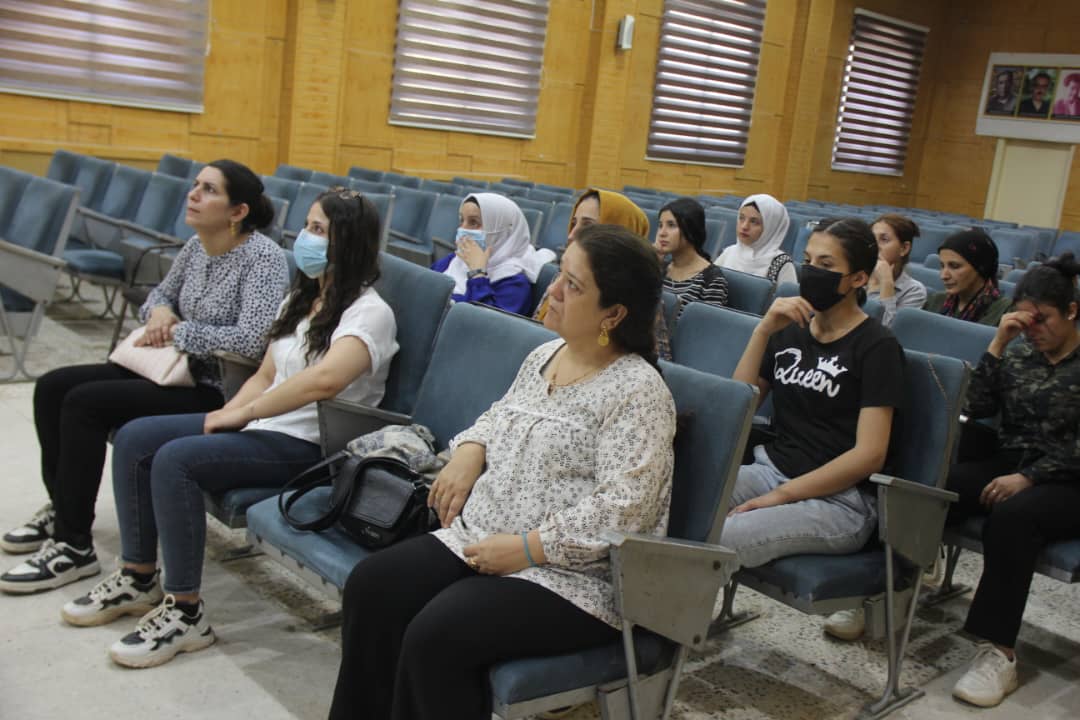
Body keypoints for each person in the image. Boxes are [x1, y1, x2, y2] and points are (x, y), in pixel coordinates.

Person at [328, 225, 676, 720]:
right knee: (373, 587)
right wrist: (470, 449)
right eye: (560, 274)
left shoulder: (638, 393)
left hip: (573, 578)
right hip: (481, 537)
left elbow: (624, 509)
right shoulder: (544, 356)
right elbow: (499, 416)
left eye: (574, 286)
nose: (553, 290)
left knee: (438, 633)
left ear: (613, 314)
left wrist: (528, 548)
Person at [58, 189, 398, 669]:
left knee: (175, 460)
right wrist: (229, 413)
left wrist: (240, 416)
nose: (305, 238)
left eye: (319, 230)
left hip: (314, 445)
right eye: (306, 226)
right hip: (265, 425)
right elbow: (265, 373)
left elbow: (323, 381)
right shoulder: (303, 298)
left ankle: (185, 612)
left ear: (350, 241)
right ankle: (137, 577)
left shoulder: (371, 312)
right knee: (135, 438)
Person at [0, 159, 289, 594]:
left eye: (209, 189)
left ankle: (73, 545)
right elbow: (159, 295)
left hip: (213, 387)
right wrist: (159, 312)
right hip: (165, 368)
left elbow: (253, 340)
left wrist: (179, 331)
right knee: (53, 386)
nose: (193, 194)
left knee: (84, 404)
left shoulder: (262, 258)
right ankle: (63, 506)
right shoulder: (196, 247)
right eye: (196, 185)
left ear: (238, 211)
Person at [722, 217, 904, 570]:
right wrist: (762, 331)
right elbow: (740, 406)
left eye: (826, 264)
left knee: (725, 535)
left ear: (858, 279)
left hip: (841, 500)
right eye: (807, 261)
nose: (811, 272)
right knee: (680, 499)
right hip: (771, 470)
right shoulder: (790, 327)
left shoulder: (877, 346)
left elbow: (870, 455)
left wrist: (782, 496)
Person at [944, 255, 1080, 708]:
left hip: (1070, 479)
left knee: (1012, 518)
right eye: (1024, 319)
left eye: (1042, 319)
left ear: (1072, 311)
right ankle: (885, 589)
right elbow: (977, 406)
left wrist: (1028, 477)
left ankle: (997, 653)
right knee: (940, 486)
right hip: (1014, 460)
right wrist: (999, 343)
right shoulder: (1020, 351)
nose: (1032, 329)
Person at [532, 188, 649, 322]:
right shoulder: (562, 277)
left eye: (587, 226)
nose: (571, 235)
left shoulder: (640, 303)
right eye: (573, 224)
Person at [430, 193, 555, 316]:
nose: (462, 229)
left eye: (473, 222)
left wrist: (477, 274)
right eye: (462, 220)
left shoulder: (514, 284)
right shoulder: (455, 260)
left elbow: (481, 321)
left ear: (503, 232)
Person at [655, 197, 728, 314]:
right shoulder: (659, 268)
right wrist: (651, 267)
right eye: (660, 225)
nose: (662, 233)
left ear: (691, 230)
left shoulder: (711, 279)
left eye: (671, 225)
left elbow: (708, 323)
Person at [924, 229, 1011, 326]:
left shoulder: (1005, 312)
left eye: (955, 266)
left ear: (981, 268)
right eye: (942, 266)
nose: (943, 276)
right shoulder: (935, 301)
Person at [713, 194, 798, 285]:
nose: (744, 226)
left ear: (770, 227)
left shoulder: (781, 264)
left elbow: (788, 294)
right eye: (741, 218)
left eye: (754, 222)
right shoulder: (729, 252)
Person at [867, 213, 927, 326]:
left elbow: (885, 332)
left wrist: (886, 283)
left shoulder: (914, 291)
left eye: (884, 239)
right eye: (872, 239)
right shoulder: (858, 276)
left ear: (904, 248)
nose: (874, 246)